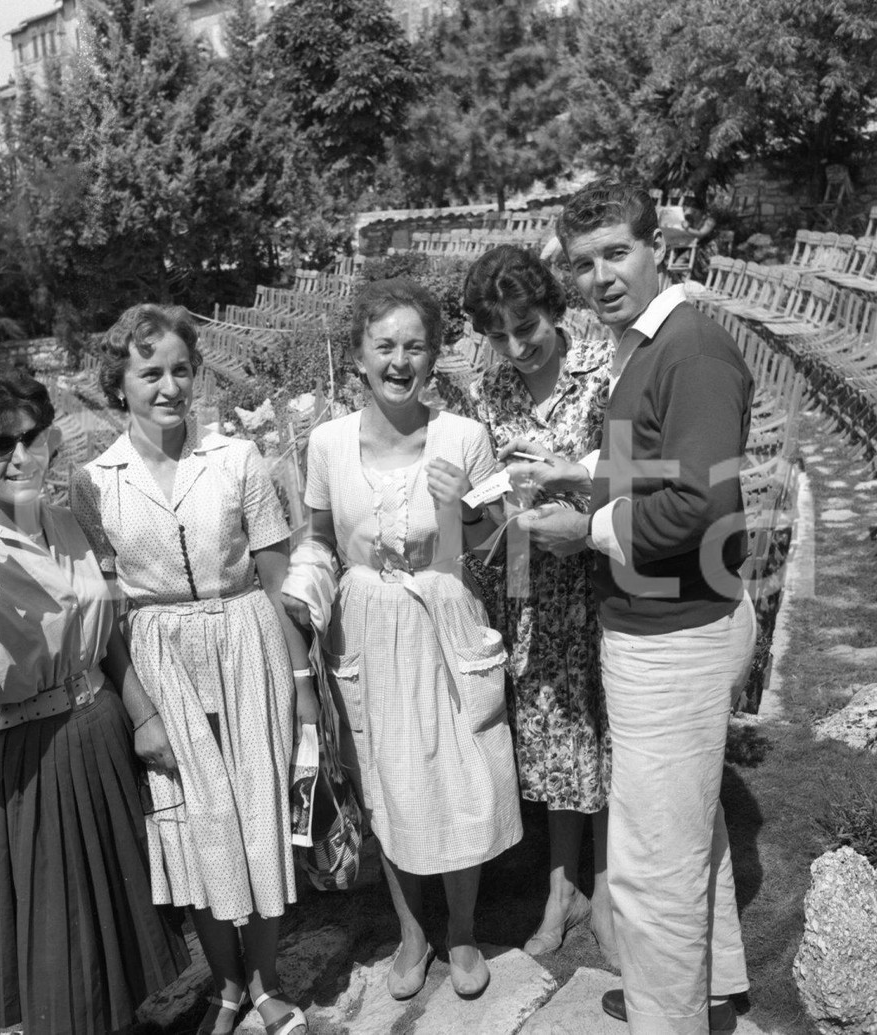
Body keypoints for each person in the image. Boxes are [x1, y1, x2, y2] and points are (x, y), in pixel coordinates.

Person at [515, 179, 756, 1033]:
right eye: (584, 264)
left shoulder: (689, 350)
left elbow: (702, 505)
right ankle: (713, 982)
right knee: (691, 830)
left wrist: (586, 531)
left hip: (677, 631)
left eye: (618, 252)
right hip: (665, 621)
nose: (601, 277)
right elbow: (651, 460)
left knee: (653, 861)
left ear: (661, 248)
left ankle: (668, 1017)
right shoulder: (643, 344)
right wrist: (575, 470)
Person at [0, 369, 189, 1035]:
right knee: (65, 952)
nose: (18, 459)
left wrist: (143, 713)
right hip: (37, 762)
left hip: (102, 734)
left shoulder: (64, 523)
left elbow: (105, 633)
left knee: (117, 932)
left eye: (30, 439)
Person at [70, 305, 316, 1035]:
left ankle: (269, 983)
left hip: (247, 642)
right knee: (193, 823)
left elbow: (276, 577)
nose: (169, 386)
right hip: (160, 658)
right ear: (119, 383)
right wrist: (141, 709)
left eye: (181, 369)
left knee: (257, 810)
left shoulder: (236, 458)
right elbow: (109, 614)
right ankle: (228, 983)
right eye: (150, 372)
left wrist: (303, 688)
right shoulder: (95, 481)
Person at [284, 277, 523, 1002]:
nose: (399, 360)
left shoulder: (464, 437)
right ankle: (410, 930)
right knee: (385, 779)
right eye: (383, 345)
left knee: (458, 773)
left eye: (414, 346)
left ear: (435, 356)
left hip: (444, 616)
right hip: (364, 624)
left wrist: (462, 511)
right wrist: (303, 593)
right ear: (359, 355)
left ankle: (460, 928)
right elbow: (319, 539)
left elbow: (502, 542)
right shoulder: (325, 443)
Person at [460, 245, 617, 969]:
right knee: (557, 736)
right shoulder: (491, 391)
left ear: (554, 310)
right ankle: (563, 891)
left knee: (610, 731)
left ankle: (610, 890)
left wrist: (577, 518)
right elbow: (490, 493)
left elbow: (632, 479)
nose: (516, 347)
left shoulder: (603, 370)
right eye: (498, 335)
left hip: (606, 571)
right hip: (533, 584)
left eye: (526, 328)